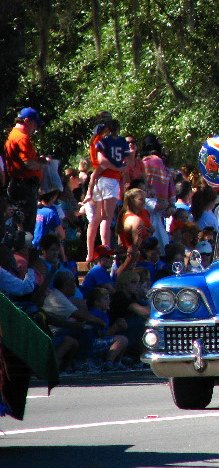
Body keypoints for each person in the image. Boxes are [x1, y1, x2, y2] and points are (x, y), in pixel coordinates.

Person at [84, 118, 128, 260]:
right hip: (109, 178)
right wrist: (118, 168)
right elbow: (105, 160)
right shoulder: (114, 141)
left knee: (96, 219)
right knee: (106, 218)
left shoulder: (97, 140)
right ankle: (105, 248)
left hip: (98, 176)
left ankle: (90, 254)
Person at [4, 108, 50, 233]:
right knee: (26, 226)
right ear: (27, 121)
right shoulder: (22, 138)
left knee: (19, 222)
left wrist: (37, 160)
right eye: (34, 124)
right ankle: (23, 251)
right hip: (24, 186)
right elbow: (28, 164)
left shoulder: (13, 134)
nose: (35, 128)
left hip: (18, 185)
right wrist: (44, 163)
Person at [140, 134, 176, 253]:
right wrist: (170, 204)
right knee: (158, 246)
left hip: (146, 206)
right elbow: (169, 184)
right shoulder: (158, 162)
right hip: (154, 206)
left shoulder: (142, 163)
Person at [85, 286, 129, 371]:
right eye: (106, 299)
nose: (109, 301)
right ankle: (109, 362)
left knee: (124, 339)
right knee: (121, 340)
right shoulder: (95, 314)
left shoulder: (103, 314)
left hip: (98, 342)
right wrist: (115, 327)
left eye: (109, 298)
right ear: (97, 302)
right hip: (92, 344)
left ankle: (117, 362)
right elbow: (101, 334)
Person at [116, 188, 152, 264]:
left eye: (144, 200)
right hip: (136, 261)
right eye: (141, 199)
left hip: (124, 258)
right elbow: (136, 246)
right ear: (132, 201)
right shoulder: (136, 220)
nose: (144, 202)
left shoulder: (122, 215)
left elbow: (120, 243)